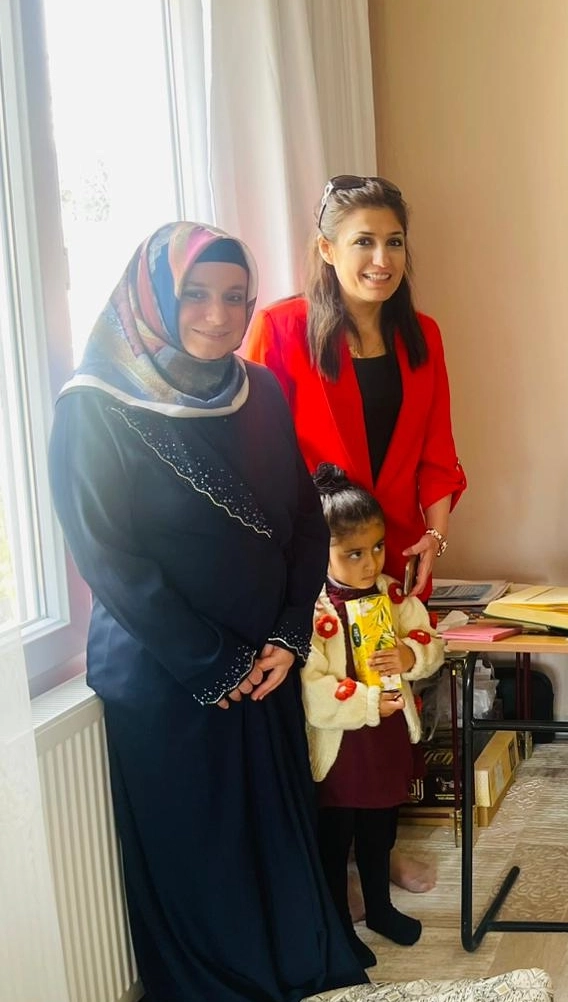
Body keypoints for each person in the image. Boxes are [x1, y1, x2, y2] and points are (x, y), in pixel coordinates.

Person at [48, 222, 367, 1000]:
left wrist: (288, 634)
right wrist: (212, 661)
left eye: (234, 297)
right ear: (152, 296)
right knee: (201, 841)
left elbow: (303, 522)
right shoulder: (95, 406)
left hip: (267, 658)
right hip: (169, 675)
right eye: (195, 294)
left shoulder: (258, 390)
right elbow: (109, 559)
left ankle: (291, 963)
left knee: (272, 823)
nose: (218, 316)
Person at [245, 174, 466, 898]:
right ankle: (325, 866)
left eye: (394, 242)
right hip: (309, 560)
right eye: (363, 241)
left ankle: (378, 852)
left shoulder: (422, 335)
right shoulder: (280, 328)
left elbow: (437, 453)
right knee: (324, 709)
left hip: (388, 553)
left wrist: (434, 536)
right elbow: (253, 455)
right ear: (326, 248)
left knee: (387, 701)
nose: (381, 258)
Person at [304, 464, 446, 966]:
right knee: (336, 836)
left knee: (380, 829)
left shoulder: (391, 594)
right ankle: (339, 925)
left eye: (378, 548)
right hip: (342, 749)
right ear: (322, 551)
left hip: (385, 739)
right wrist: (364, 702)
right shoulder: (314, 609)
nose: (371, 563)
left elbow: (430, 639)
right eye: (354, 553)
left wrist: (410, 655)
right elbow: (312, 687)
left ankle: (381, 908)